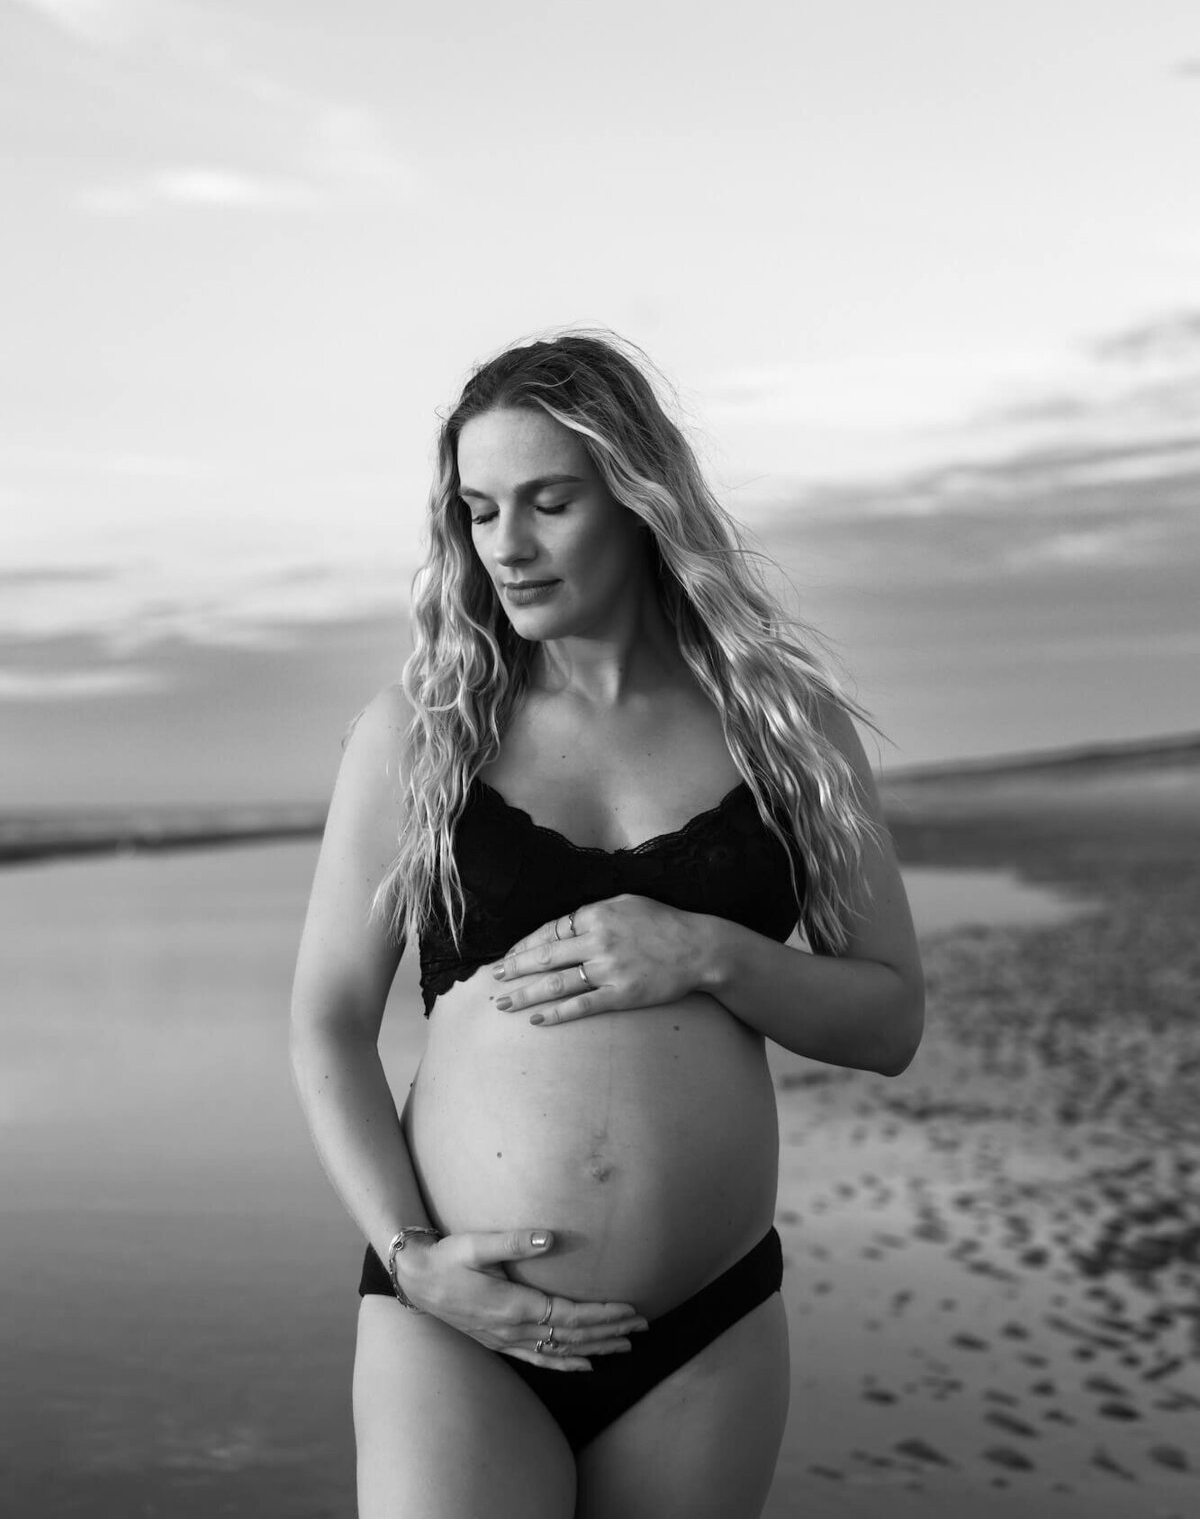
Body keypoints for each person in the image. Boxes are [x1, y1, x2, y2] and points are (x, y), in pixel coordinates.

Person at [289, 331, 924, 1519]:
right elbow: (327, 1026)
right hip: (460, 1328)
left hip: (708, 1331)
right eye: (479, 512)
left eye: (549, 502)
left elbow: (889, 1017)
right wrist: (410, 1259)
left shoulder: (785, 730)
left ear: (638, 500)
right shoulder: (421, 735)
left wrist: (715, 954)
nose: (508, 547)